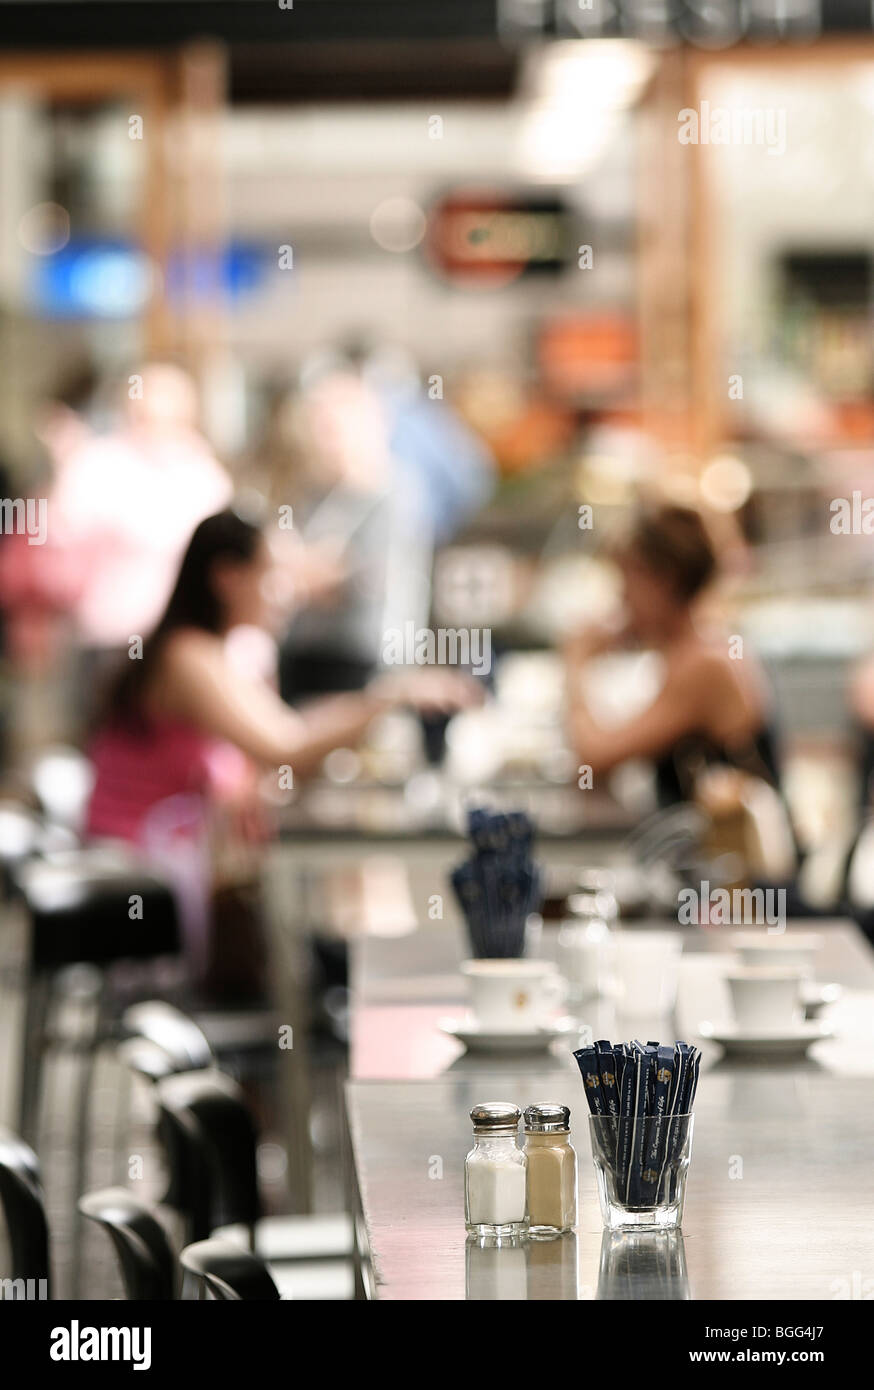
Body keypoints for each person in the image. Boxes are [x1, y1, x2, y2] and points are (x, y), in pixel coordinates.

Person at [86, 506, 478, 846]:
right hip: (136, 883)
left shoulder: (215, 654)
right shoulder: (187, 657)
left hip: (166, 870)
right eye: (274, 576)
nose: (288, 593)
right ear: (227, 578)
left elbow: (287, 739)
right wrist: (394, 696)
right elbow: (289, 744)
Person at [564, 503, 781, 805]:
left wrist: (576, 662)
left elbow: (593, 758)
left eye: (627, 581)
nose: (621, 598)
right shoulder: (701, 646)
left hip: (735, 852)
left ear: (663, 582)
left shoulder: (704, 666)